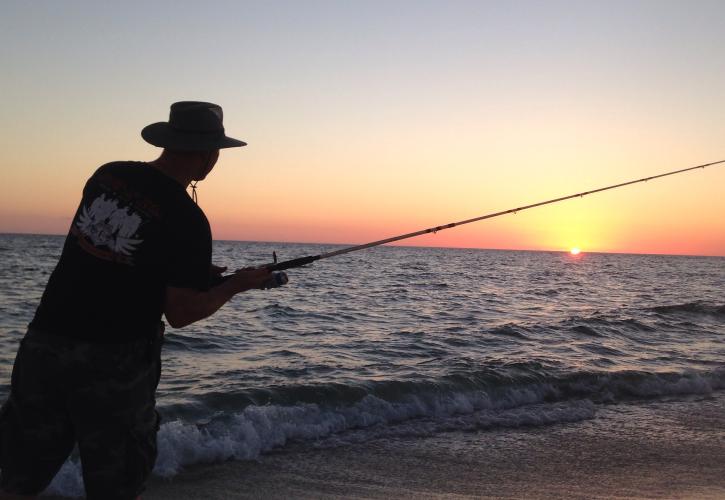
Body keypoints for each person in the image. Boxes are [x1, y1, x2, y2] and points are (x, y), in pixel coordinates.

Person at [0, 102, 279, 499]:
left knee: (18, 474)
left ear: (168, 140)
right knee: (116, 483)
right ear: (208, 154)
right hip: (115, 363)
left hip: (44, 344)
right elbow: (181, 313)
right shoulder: (188, 218)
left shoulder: (108, 175)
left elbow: (117, 252)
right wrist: (237, 286)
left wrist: (192, 272)